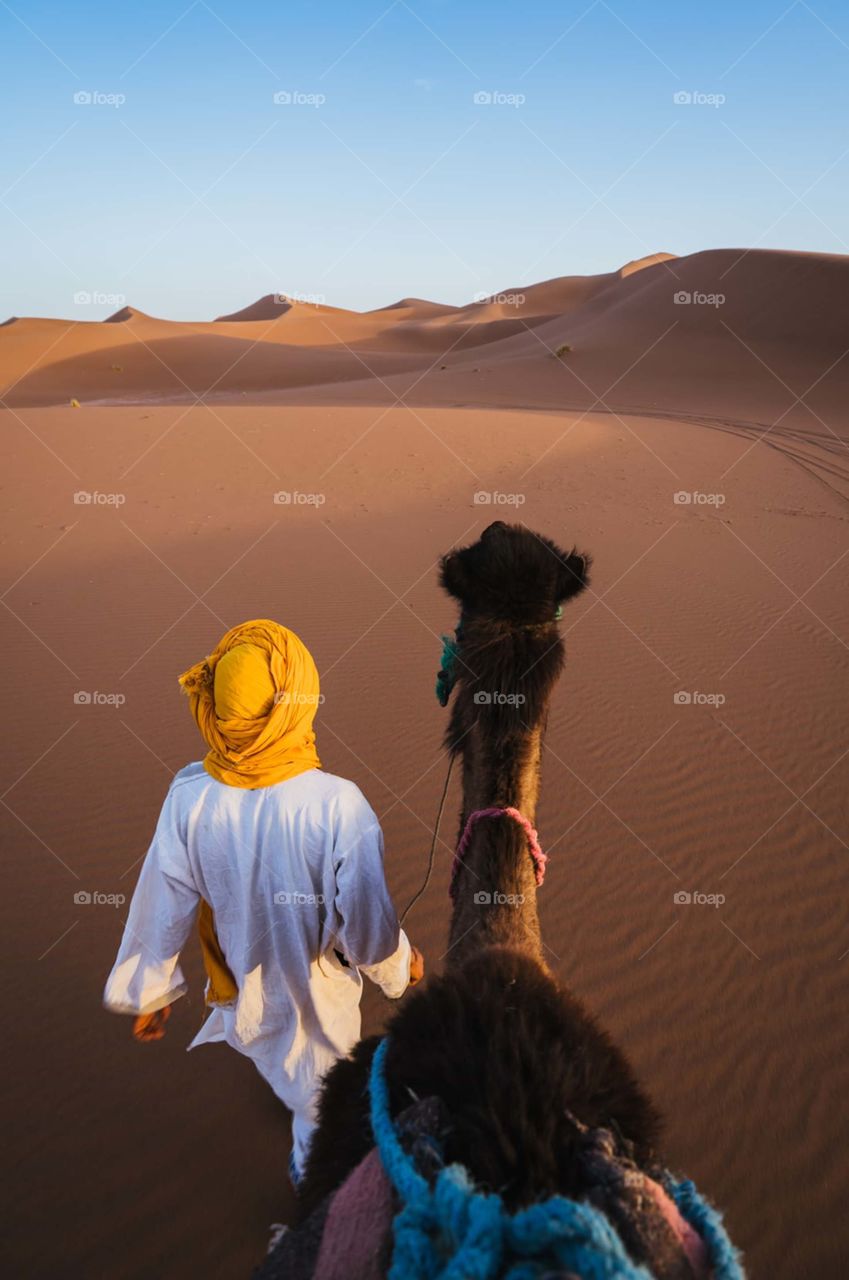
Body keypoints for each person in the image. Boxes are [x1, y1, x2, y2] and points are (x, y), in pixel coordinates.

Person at [103, 619, 424, 1178]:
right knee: (321, 1101)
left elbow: (162, 895)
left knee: (286, 1072)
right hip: (317, 999)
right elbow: (367, 931)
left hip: (241, 993)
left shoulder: (189, 794)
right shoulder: (338, 807)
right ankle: (312, 1172)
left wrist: (149, 990)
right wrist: (401, 969)